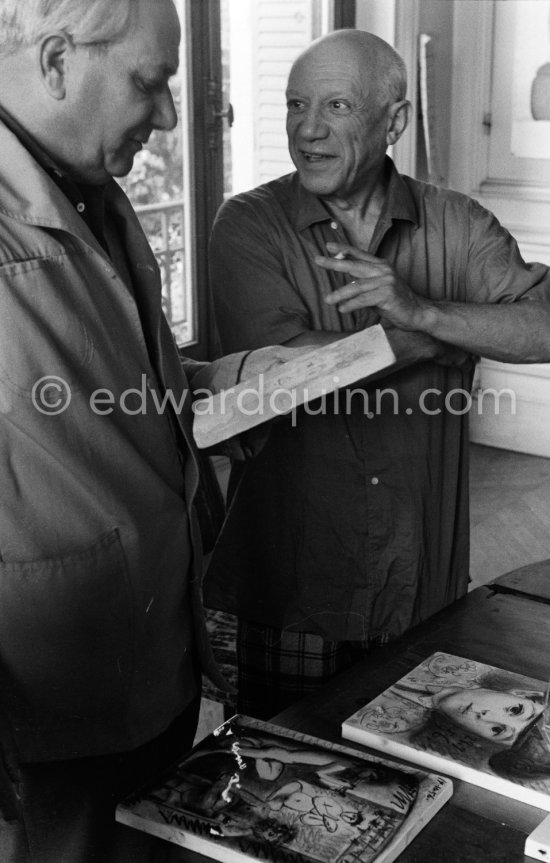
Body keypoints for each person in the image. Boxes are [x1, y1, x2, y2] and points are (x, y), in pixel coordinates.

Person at [0, 1, 295, 860]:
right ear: (57, 61)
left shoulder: (93, 192)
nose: (170, 115)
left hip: (146, 660)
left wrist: (238, 383)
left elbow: (105, 392)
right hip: (45, 709)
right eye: (151, 81)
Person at [204, 28, 550, 720]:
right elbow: (285, 375)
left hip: (423, 588)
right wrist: (426, 336)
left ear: (392, 121)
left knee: (427, 782)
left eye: (335, 107)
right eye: (296, 104)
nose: (307, 130)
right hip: (294, 597)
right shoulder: (246, 226)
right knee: (289, 792)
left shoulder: (457, 223)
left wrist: (424, 308)